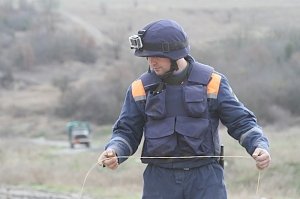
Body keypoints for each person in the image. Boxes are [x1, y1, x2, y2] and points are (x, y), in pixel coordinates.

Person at [98, 19, 271, 199]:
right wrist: (115, 150)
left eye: (156, 56)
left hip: (206, 179)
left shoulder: (213, 82)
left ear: (175, 54)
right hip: (159, 181)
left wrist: (259, 146)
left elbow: (241, 121)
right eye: (147, 57)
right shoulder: (139, 88)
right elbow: (127, 130)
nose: (151, 62)